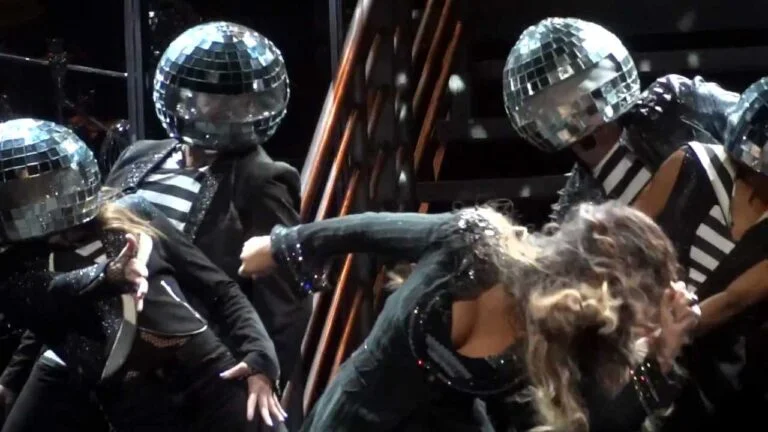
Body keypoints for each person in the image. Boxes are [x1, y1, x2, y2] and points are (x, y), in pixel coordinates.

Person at [0, 21, 308, 430]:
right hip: (78, 347)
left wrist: (263, 370)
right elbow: (62, 265)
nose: (223, 111)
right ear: (181, 95)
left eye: (237, 100)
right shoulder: (140, 156)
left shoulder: (262, 179)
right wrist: (13, 376)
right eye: (209, 96)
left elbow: (279, 302)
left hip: (173, 362)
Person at [238, 201, 699, 431]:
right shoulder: (473, 240)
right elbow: (367, 228)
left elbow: (600, 424)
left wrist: (661, 356)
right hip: (352, 414)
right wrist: (284, 244)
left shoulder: (563, 336)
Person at [502, 17, 738, 223]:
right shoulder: (577, 213)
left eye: (583, 88)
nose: (577, 109)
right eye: (558, 103)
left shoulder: (673, 102)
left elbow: (749, 124)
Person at [631, 77, 768, 430]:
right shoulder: (691, 163)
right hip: (629, 328)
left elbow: (732, 300)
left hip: (710, 382)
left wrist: (667, 335)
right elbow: (629, 239)